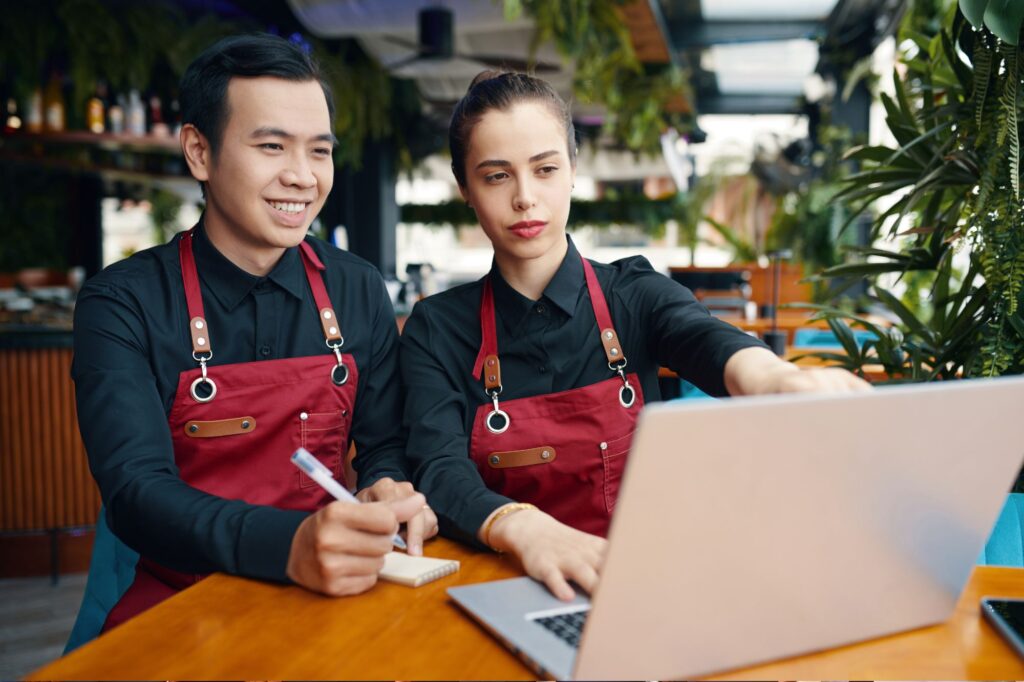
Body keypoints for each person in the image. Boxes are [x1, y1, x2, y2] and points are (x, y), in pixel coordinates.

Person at [400, 71, 869, 602]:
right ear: (465, 188)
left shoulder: (634, 294)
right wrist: (523, 528)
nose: (526, 198)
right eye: (495, 177)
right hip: (497, 587)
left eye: (545, 169)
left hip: (634, 587)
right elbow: (438, 469)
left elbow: (701, 335)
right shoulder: (436, 329)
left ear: (573, 171)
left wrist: (777, 379)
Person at [68, 34, 436, 643]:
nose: (302, 176)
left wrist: (385, 484)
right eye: (271, 146)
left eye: (319, 152)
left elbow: (383, 444)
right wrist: (289, 544)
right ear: (199, 152)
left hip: (331, 590)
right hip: (179, 598)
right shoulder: (122, 302)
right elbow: (135, 492)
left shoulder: (357, 288)